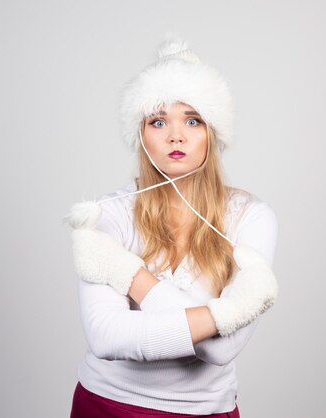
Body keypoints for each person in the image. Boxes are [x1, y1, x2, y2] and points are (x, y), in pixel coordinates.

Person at [64, 37, 279, 418]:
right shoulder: (108, 214)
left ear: (212, 133)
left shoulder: (250, 217)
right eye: (158, 121)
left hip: (206, 410)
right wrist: (227, 313)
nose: (175, 136)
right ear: (142, 135)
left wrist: (128, 274)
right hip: (107, 405)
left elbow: (221, 350)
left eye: (192, 120)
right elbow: (105, 336)